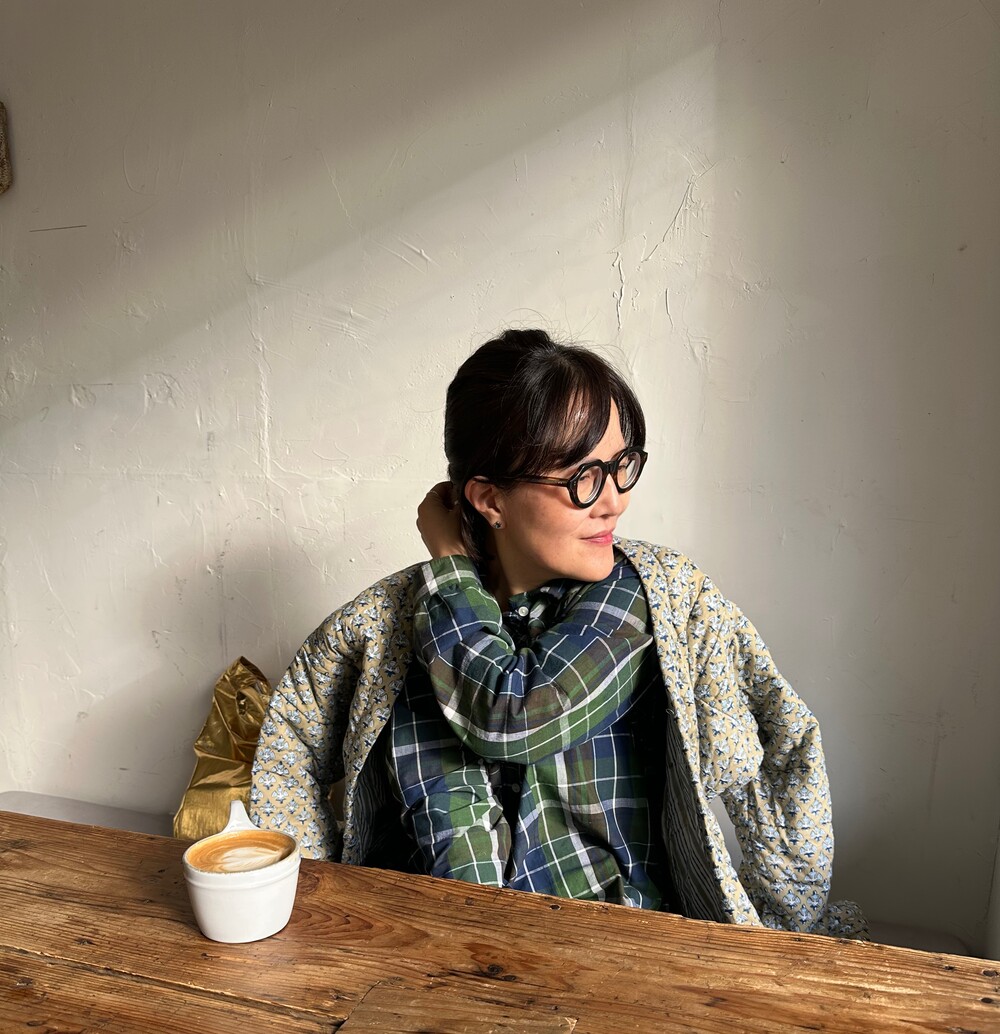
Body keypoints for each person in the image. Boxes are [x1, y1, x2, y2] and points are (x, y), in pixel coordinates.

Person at [250, 328, 866, 937]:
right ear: (491, 500)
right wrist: (307, 904)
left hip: (617, 948)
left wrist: (786, 928)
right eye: (583, 478)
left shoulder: (640, 597)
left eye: (622, 466)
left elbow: (515, 713)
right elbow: (290, 744)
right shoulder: (397, 622)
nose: (614, 501)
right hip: (432, 945)